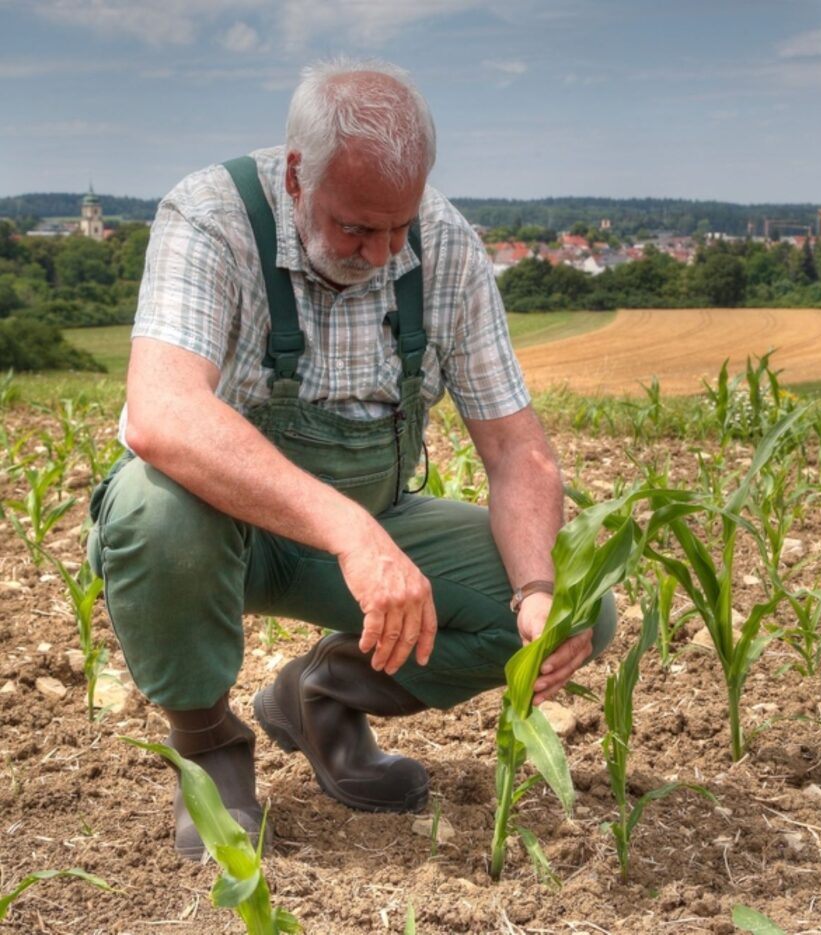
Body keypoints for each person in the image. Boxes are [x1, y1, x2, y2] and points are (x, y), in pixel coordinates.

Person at [87, 58, 616, 859]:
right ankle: (209, 748)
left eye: (398, 225)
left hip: (370, 525)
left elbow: (516, 450)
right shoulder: (210, 216)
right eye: (357, 227)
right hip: (219, 530)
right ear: (298, 175)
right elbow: (163, 414)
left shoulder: (444, 247)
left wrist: (541, 589)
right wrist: (348, 532)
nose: (382, 253)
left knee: (584, 606)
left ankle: (320, 694)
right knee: (152, 509)